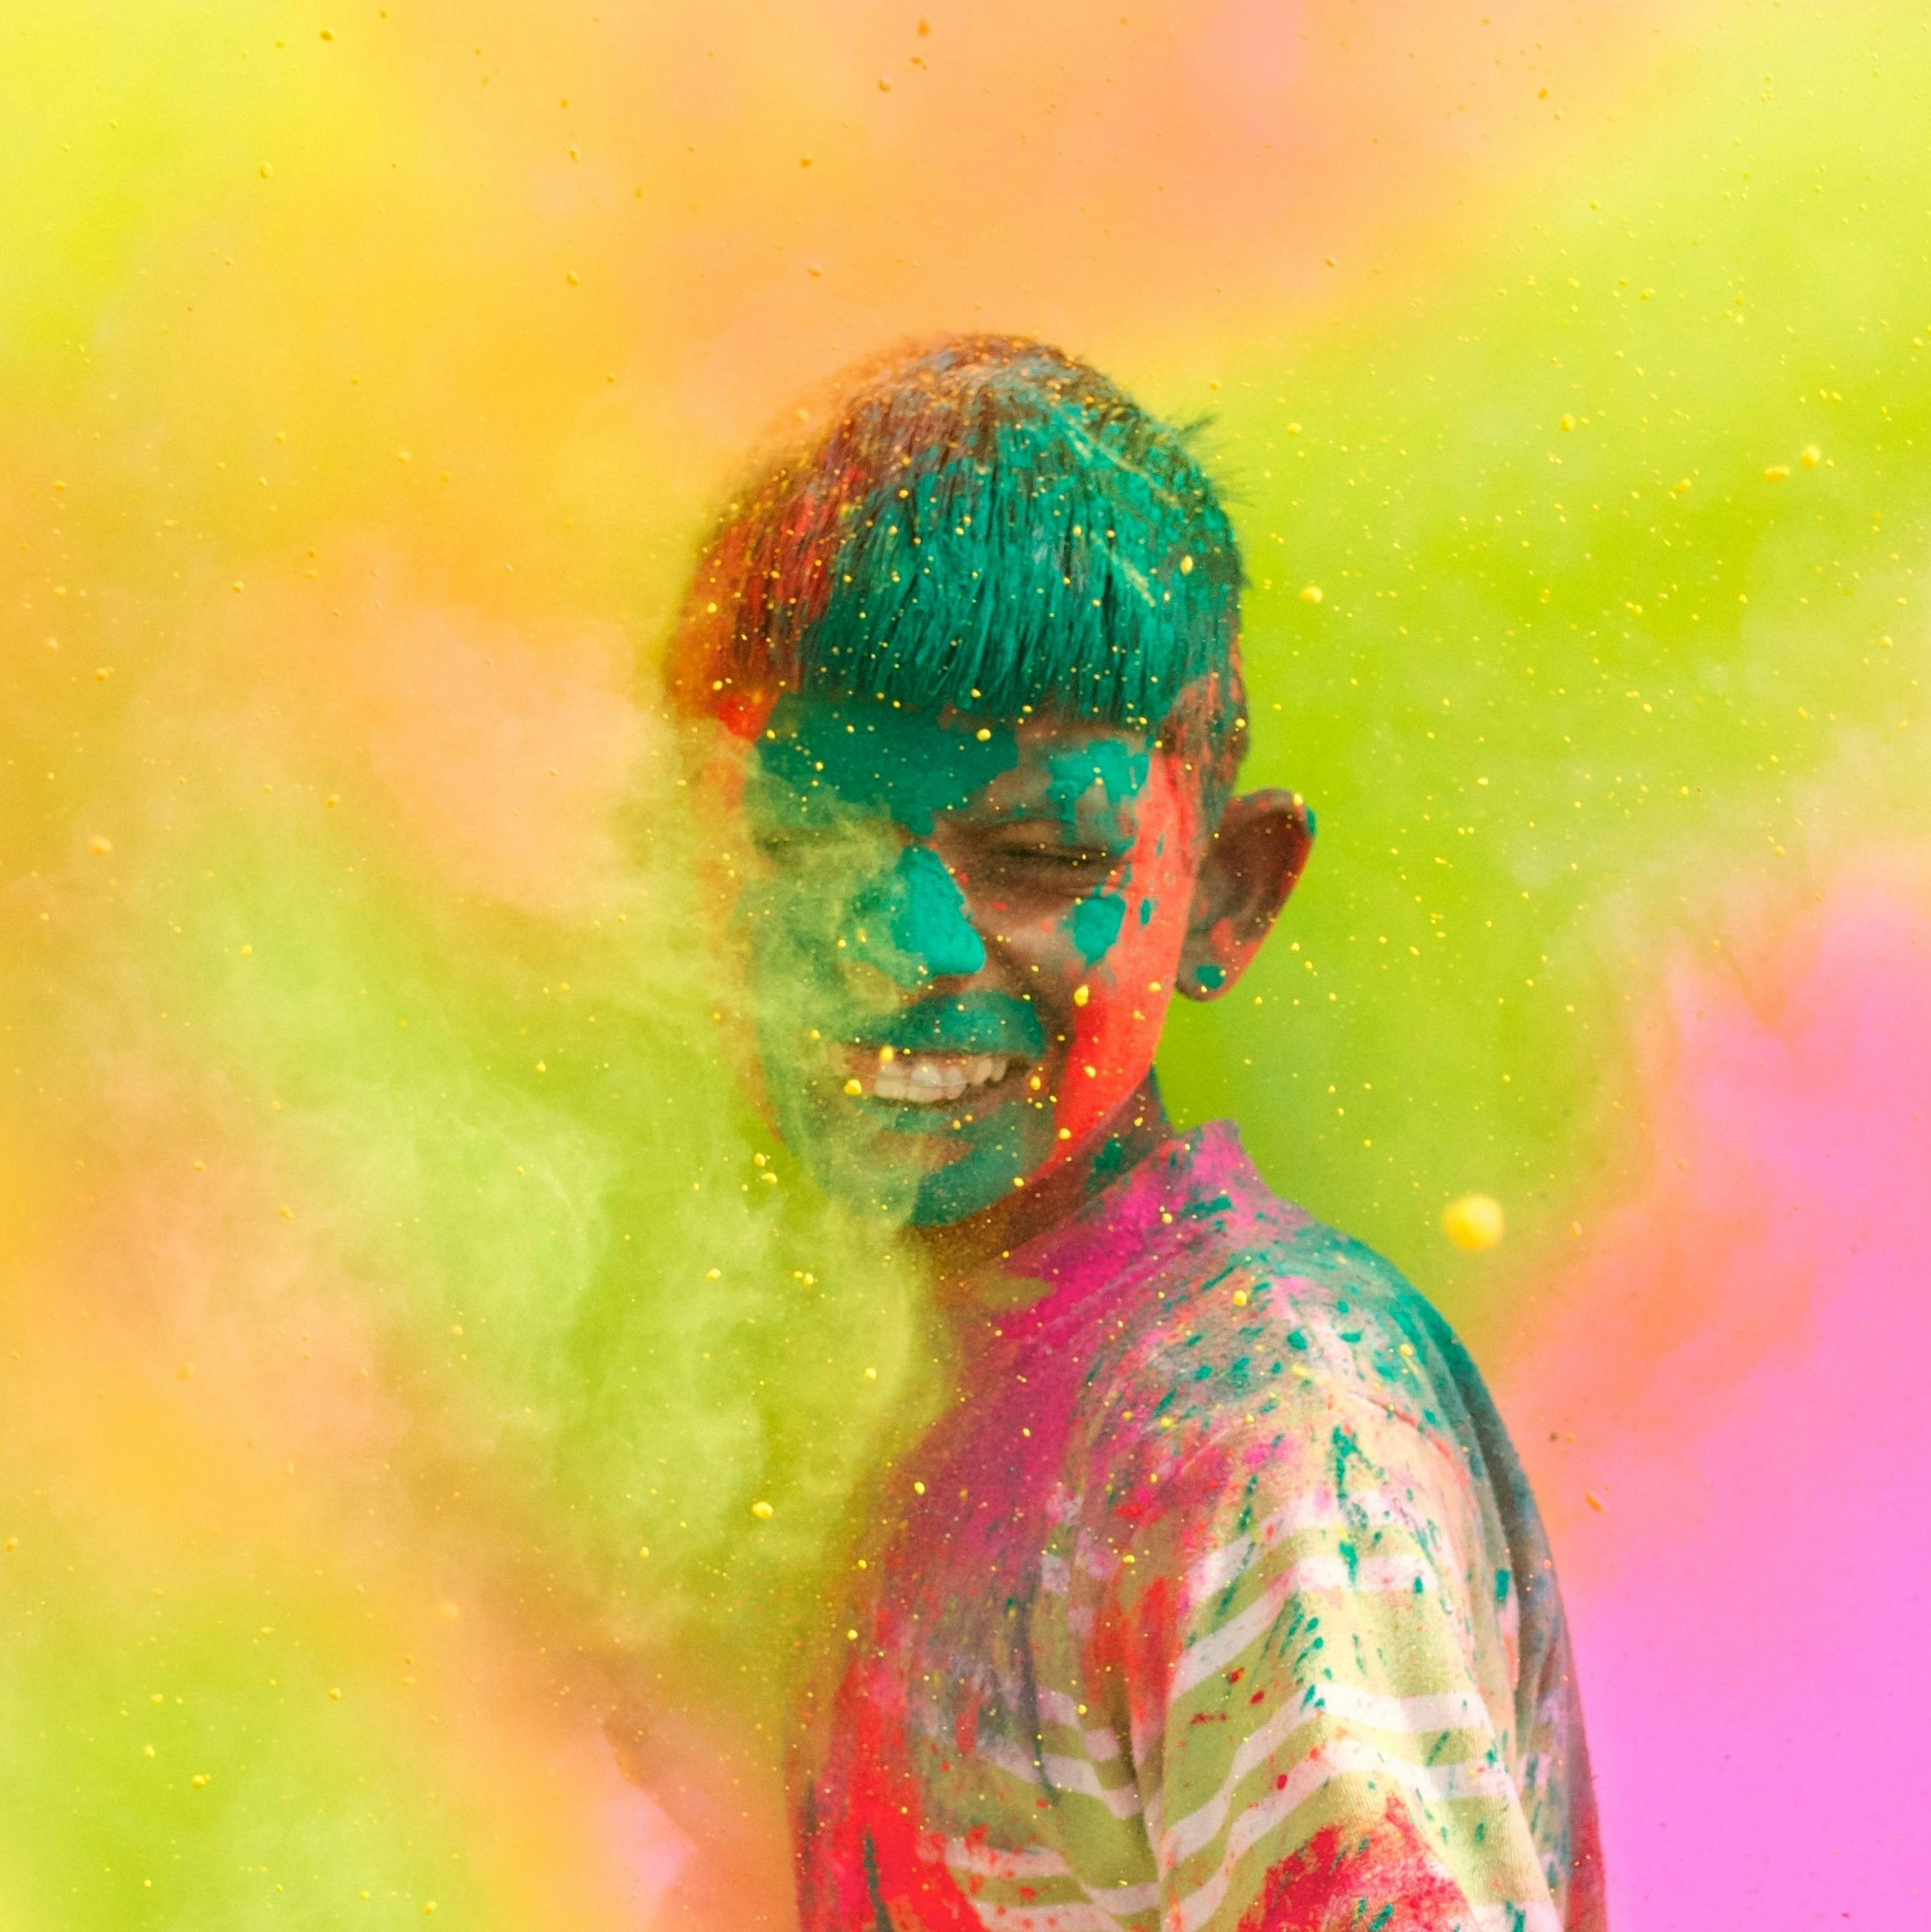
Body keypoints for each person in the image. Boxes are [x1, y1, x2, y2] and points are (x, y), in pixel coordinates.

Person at [668, 335, 1603, 1932]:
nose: (905, 942)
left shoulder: (1263, 1436)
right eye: (807, 842)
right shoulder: (813, 1389)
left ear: (1228, 894)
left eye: (1035, 855)